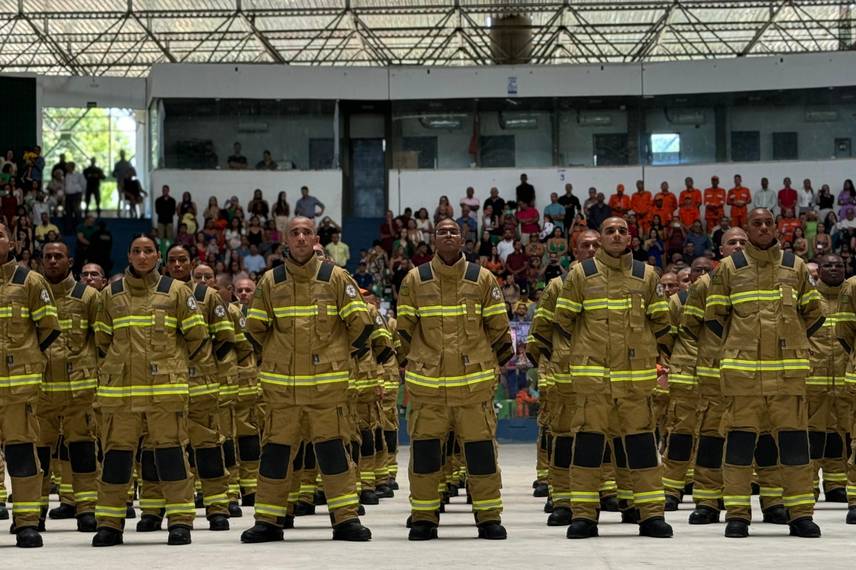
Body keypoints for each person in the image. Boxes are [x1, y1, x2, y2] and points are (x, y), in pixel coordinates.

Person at [241, 217, 376, 543]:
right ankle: (268, 521)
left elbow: (361, 326)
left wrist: (337, 359)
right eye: (294, 233)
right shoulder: (270, 281)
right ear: (286, 240)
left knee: (333, 452)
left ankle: (346, 520)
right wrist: (277, 361)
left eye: (306, 233)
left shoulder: (335, 277)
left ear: (316, 239)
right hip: (282, 392)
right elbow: (254, 330)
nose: (301, 238)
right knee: (275, 455)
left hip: (326, 390)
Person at [706, 208, 823, 538]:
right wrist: (739, 346)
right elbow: (714, 317)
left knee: (795, 449)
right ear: (747, 229)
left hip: (788, 378)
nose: (762, 228)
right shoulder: (730, 267)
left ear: (776, 228)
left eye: (768, 223)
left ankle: (800, 514)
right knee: (739, 449)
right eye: (756, 223)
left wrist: (793, 342)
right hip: (743, 379)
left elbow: (814, 314)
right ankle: (737, 515)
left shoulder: (795, 266)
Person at [555, 216, 674, 539]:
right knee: (588, 449)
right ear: (602, 238)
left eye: (622, 231)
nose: (616, 235)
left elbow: (662, 324)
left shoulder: (646, 275)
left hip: (635, 383)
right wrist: (580, 358)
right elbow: (563, 322)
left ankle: (651, 515)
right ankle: (584, 516)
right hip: (593, 383)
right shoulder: (581, 274)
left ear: (630, 238)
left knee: (642, 449)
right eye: (610, 231)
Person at [397, 218, 512, 541]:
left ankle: (488, 517)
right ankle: (424, 517)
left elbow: (500, 331)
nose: (448, 235)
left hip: (473, 389)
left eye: (454, 232)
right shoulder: (415, 279)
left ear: (463, 239)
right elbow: (403, 332)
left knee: (482, 455)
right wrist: (409, 366)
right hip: (428, 390)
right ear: (433, 239)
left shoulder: (482, 278)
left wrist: (492, 369)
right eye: (442, 231)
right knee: (425, 457)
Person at [91, 234, 208, 547]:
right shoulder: (111, 294)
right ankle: (109, 523)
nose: (142, 256)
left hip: (164, 393)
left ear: (158, 255)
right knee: (116, 459)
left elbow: (197, 338)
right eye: (136, 251)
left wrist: (175, 368)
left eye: (148, 251)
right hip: (121, 395)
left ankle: (180, 521)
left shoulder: (177, 291)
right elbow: (102, 341)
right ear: (129, 256)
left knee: (171, 456)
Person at [0, 223, 60, 548]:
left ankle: (25, 522)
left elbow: (48, 327)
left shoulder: (31, 281)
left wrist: (27, 358)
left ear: (12, 242)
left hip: (17, 389)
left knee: (22, 453)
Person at [35, 242, 99, 531]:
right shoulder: (33, 293)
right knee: (38, 454)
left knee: (83, 450)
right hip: (41, 388)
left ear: (69, 261)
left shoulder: (88, 296)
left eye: (58, 256)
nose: (52, 261)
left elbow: (102, 339)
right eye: (47, 256)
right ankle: (35, 510)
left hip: (79, 391)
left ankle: (86, 508)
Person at [660, 256, 713, 511]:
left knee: (712, 439)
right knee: (679, 437)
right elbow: (665, 337)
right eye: (697, 270)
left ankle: (710, 492)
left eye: (707, 270)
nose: (701, 274)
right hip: (685, 379)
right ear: (688, 277)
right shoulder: (677, 302)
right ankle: (671, 489)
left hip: (715, 379)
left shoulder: (724, 298)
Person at [803, 255, 848, 506]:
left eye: (838, 265)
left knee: (840, 434)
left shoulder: (850, 298)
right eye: (828, 265)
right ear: (818, 271)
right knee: (812, 435)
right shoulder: (809, 299)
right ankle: (808, 485)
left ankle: (837, 484)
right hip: (813, 380)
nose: (833, 269)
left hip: (844, 379)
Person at [232, 278, 261, 505]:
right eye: (240, 290)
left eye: (248, 290)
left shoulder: (263, 311)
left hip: (266, 383)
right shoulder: (229, 313)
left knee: (260, 437)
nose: (243, 293)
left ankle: (254, 486)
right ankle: (238, 487)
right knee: (237, 437)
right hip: (238, 386)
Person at [111, 151, 133, 217]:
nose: (122, 155)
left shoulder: (128, 163)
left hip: (128, 183)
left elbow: (132, 172)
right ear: (120, 155)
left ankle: (131, 212)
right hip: (120, 182)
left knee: (129, 197)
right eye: (121, 154)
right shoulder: (117, 164)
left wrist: (128, 176)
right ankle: (119, 213)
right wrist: (118, 175)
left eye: (123, 154)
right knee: (120, 197)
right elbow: (113, 174)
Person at [63, 162, 85, 228]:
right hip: (68, 196)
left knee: (77, 211)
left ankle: (79, 228)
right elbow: (65, 185)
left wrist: (82, 194)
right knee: (68, 212)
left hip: (76, 195)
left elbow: (83, 184)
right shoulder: (66, 175)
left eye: (68, 166)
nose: (66, 168)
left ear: (72, 167)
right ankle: (69, 229)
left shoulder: (78, 175)